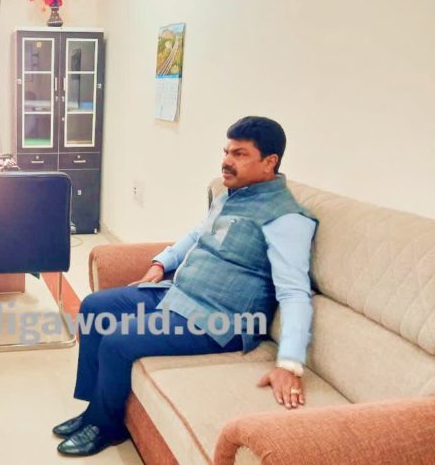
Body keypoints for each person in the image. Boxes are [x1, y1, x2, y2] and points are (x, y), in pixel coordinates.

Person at [53, 116, 317, 456]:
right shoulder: (230, 194)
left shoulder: (286, 219)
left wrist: (289, 363)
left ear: (270, 162)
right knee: (93, 308)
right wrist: (161, 263)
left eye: (239, 154)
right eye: (226, 152)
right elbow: (196, 234)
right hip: (179, 295)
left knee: (118, 340)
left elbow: (295, 293)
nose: (226, 161)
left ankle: (107, 426)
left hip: (220, 320)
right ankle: (94, 411)